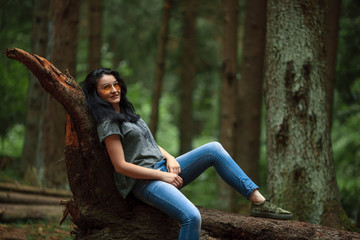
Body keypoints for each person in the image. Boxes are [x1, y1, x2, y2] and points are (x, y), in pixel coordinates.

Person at [81, 68, 292, 240]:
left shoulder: (126, 113)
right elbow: (120, 166)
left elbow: (150, 144)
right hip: (144, 181)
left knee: (214, 149)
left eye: (115, 84)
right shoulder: (107, 122)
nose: (114, 90)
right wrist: (163, 175)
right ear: (96, 93)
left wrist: (170, 157)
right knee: (192, 217)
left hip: (162, 167)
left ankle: (258, 201)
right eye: (106, 87)